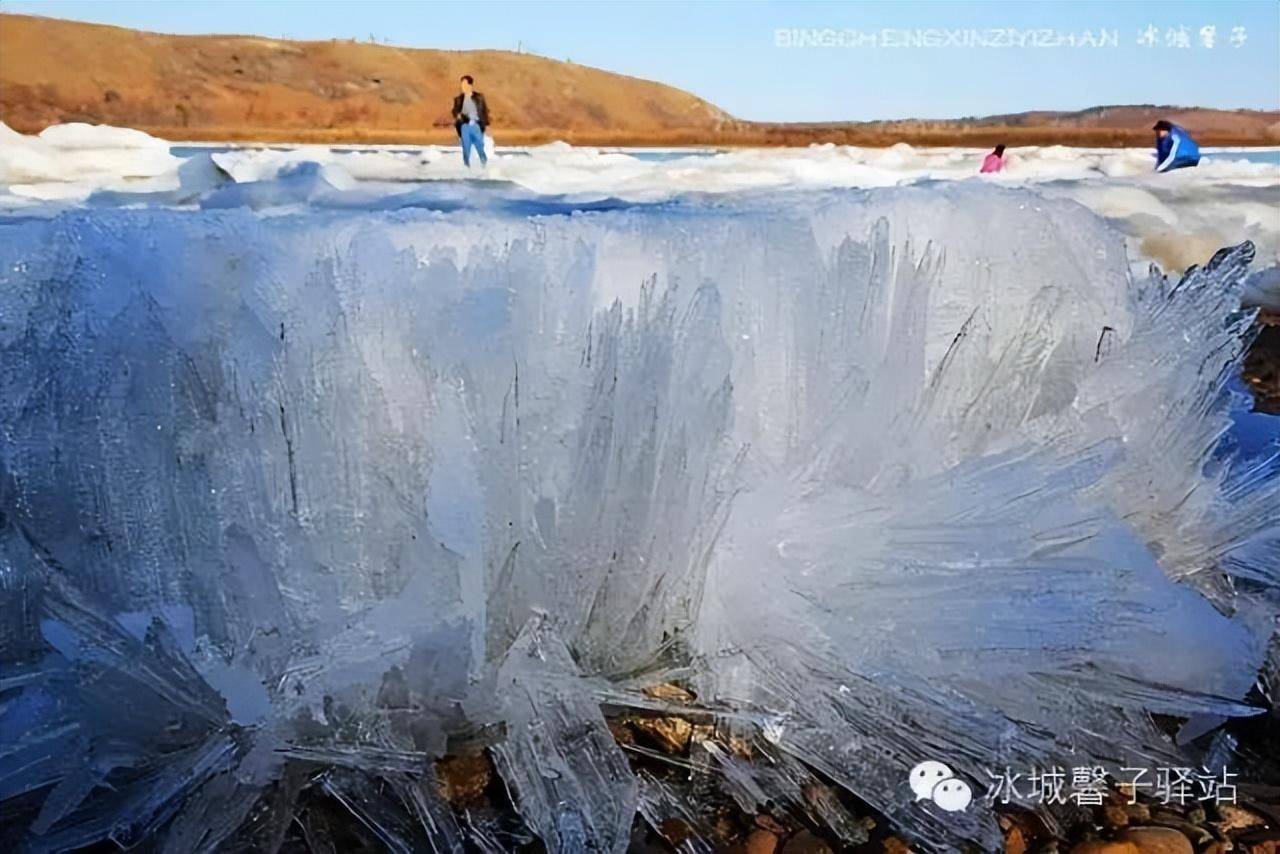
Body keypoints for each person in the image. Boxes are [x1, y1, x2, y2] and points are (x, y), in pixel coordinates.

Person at [451, 75, 490, 168]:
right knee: (466, 149)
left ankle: (484, 166)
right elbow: (454, 110)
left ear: (470, 85)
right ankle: (467, 168)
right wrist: (457, 115)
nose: (462, 87)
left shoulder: (479, 98)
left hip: (476, 126)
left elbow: (485, 111)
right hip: (464, 126)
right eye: (461, 85)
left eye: (464, 84)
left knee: (480, 148)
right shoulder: (458, 99)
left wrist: (487, 125)